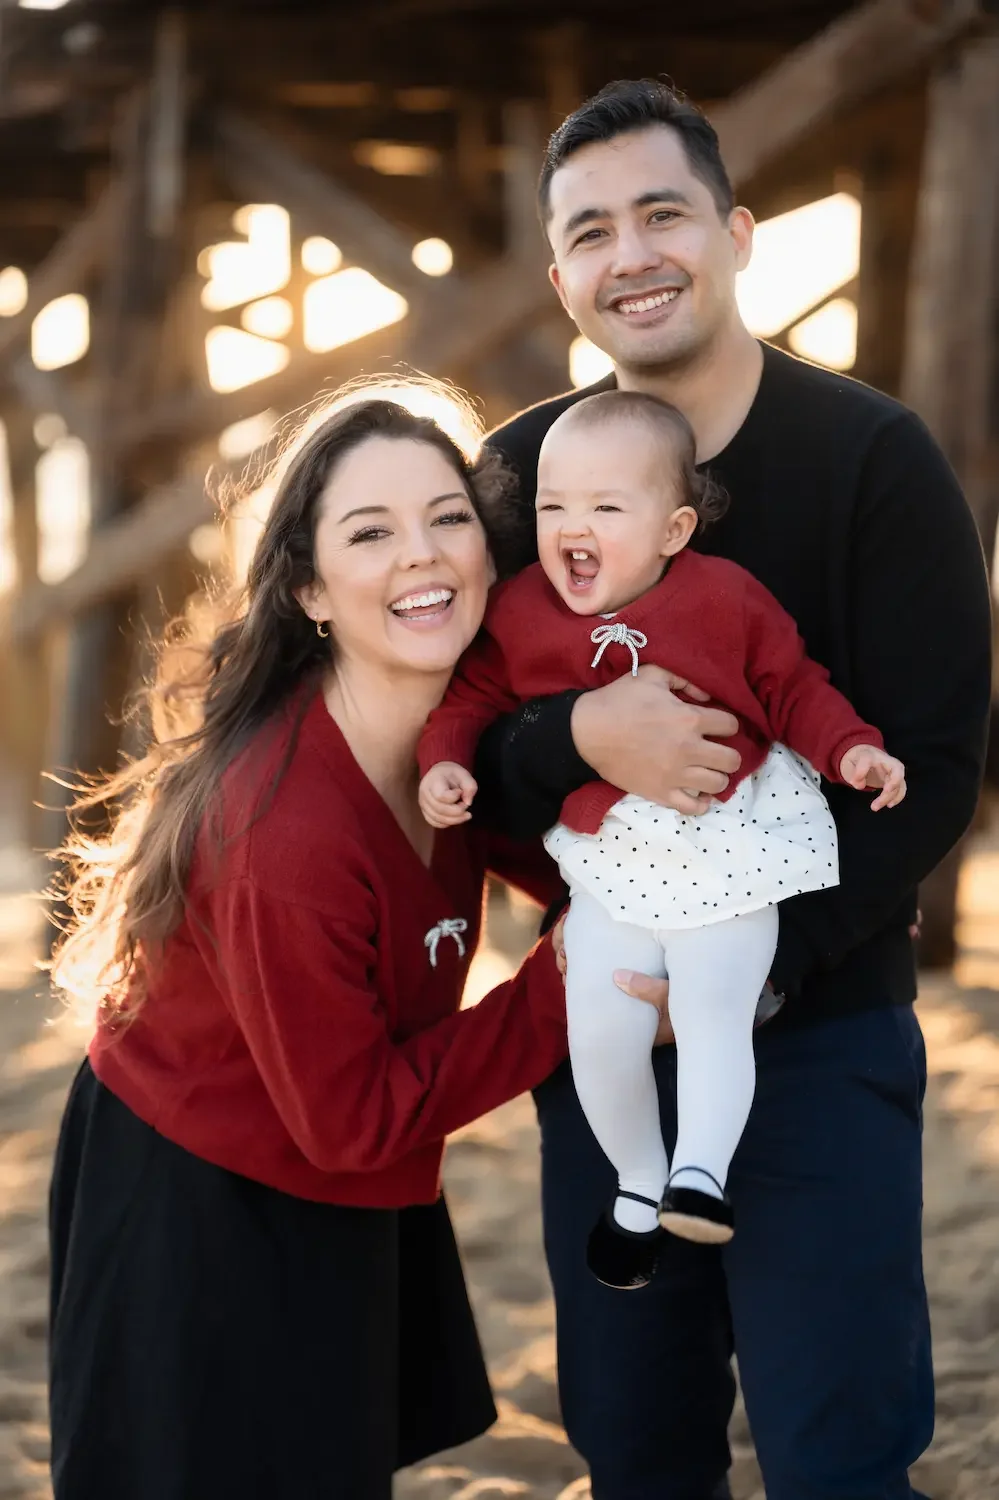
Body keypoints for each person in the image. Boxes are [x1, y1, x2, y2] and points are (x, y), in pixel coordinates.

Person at [472, 79, 992, 1500]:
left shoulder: (872, 460)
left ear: (736, 232)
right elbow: (454, 739)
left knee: (835, 1450)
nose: (629, 253)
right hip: (604, 1020)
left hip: (819, 1030)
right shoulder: (518, 472)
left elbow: (935, 765)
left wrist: (754, 960)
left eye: (662, 213)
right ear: (557, 272)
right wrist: (580, 741)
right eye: (590, 230)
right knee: (632, 1446)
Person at [45, 389, 572, 1500]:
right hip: (199, 1189)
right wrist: (568, 986)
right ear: (308, 589)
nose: (421, 557)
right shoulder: (287, 834)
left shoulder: (451, 735)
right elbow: (352, 1118)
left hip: (329, 1159)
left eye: (448, 517)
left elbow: (558, 857)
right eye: (369, 533)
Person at [419, 387, 906, 1283]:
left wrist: (852, 753)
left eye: (607, 507)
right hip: (608, 860)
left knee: (717, 1011)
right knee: (597, 1025)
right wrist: (446, 761)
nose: (573, 526)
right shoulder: (522, 609)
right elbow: (473, 700)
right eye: (554, 506)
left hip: (729, 844)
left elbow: (794, 687)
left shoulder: (726, 599)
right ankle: (638, 1180)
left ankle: (699, 1176)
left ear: (673, 530)